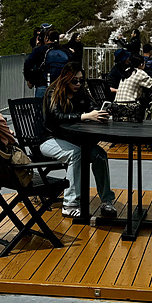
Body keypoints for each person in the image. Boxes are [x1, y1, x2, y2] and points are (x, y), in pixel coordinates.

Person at [40, 63, 118, 218]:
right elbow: (56, 116)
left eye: (81, 80)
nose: (78, 84)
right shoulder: (53, 93)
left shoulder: (81, 92)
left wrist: (98, 113)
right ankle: (70, 204)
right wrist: (84, 116)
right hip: (50, 139)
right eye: (74, 80)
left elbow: (91, 106)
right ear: (65, 79)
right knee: (75, 154)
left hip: (74, 140)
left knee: (100, 155)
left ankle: (106, 201)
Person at [23, 27, 69, 98]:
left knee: (40, 104)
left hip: (42, 84)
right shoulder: (65, 51)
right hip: (61, 86)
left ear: (46, 38)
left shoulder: (39, 50)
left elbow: (27, 64)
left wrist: (29, 80)